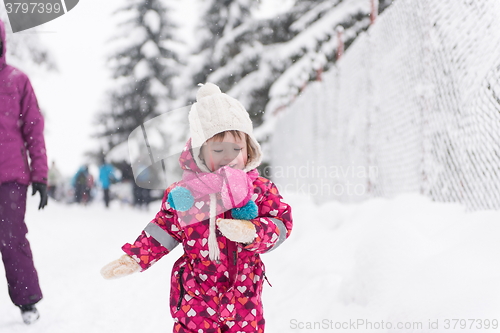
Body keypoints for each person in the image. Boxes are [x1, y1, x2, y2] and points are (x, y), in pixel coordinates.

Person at [101, 83, 293, 332]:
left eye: (237, 149)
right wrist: (135, 258)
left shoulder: (259, 189)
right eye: (218, 149)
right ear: (201, 153)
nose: (229, 156)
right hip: (196, 302)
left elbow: (281, 224)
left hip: (244, 302)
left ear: (249, 150)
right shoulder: (185, 195)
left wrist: (253, 232)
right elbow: (163, 230)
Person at [0, 19, 48, 325]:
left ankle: (27, 300)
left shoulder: (17, 81)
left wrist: (40, 175)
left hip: (11, 178)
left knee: (11, 237)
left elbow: (34, 130)